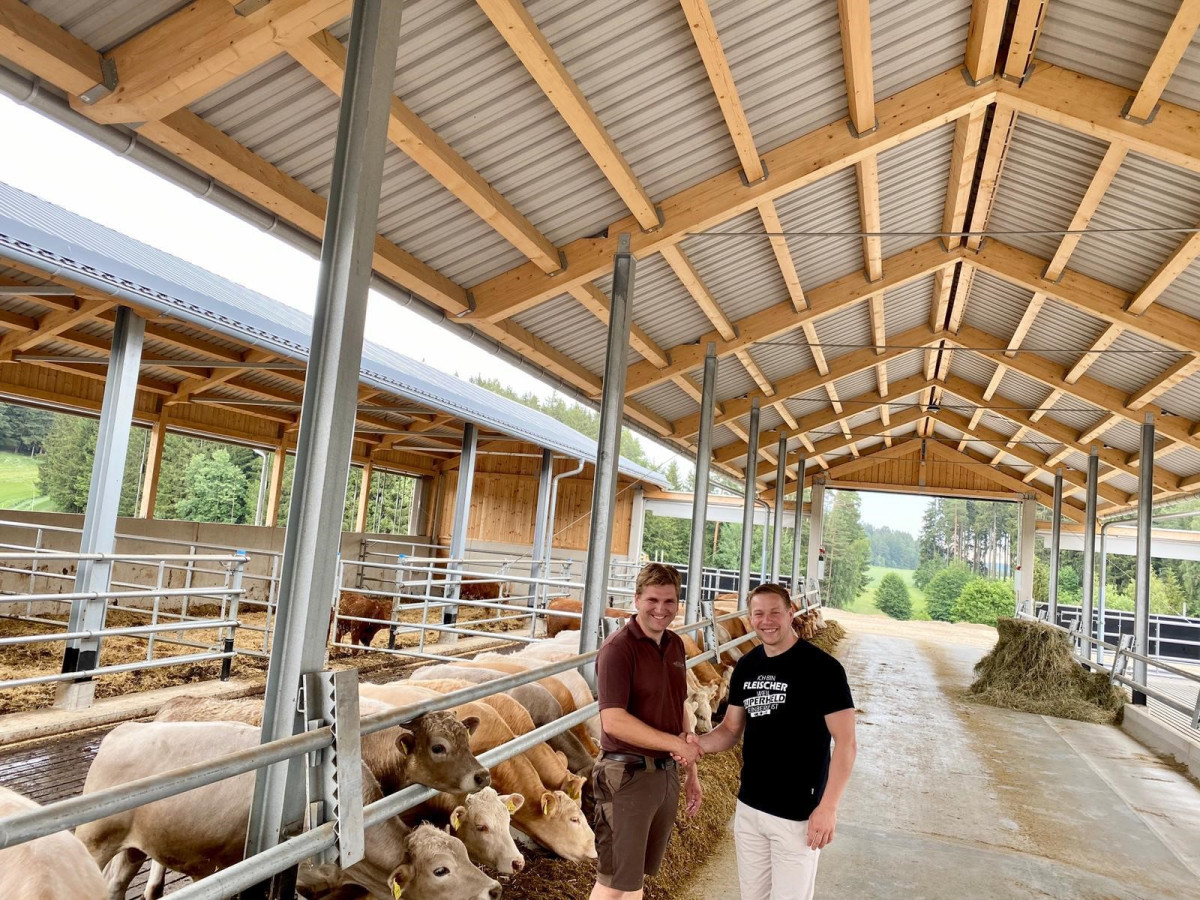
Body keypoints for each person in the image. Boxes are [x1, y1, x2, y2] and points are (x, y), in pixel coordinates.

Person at [690, 583, 856, 900]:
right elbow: (728, 730)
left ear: (791, 613)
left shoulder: (823, 669)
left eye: (775, 612)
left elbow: (846, 744)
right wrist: (696, 744)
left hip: (798, 813)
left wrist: (829, 807)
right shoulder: (747, 666)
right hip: (750, 807)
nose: (767, 620)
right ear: (750, 617)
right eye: (759, 613)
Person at [589, 562, 703, 900]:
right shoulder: (618, 649)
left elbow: (678, 705)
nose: (660, 609)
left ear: (678, 604)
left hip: (664, 775)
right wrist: (675, 745)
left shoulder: (675, 645)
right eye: (653, 599)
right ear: (637, 599)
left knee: (634, 878)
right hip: (626, 776)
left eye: (669, 601)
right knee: (612, 882)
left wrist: (691, 772)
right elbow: (613, 720)